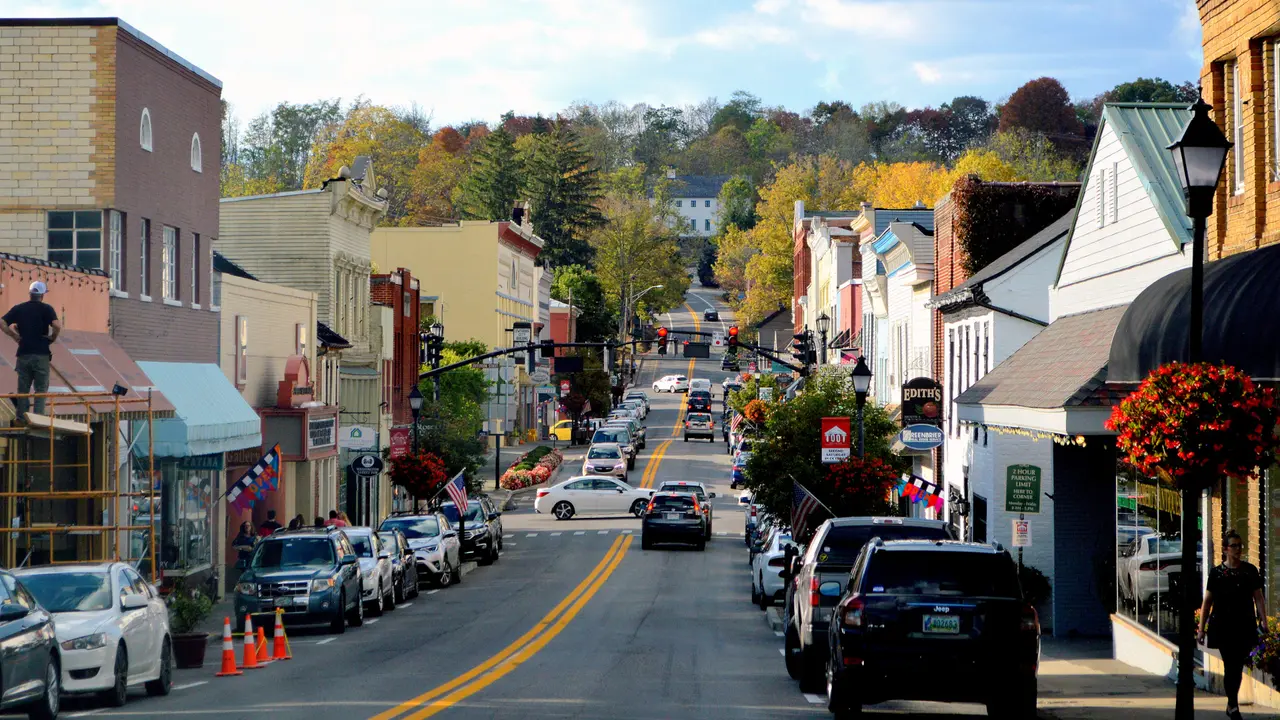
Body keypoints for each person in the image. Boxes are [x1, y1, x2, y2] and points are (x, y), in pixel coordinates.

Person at [1199, 529, 1265, 720]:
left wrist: (1263, 620)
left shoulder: (1249, 571)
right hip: (1224, 625)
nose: (1238, 549)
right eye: (1234, 546)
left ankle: (1231, 703)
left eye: (1240, 545)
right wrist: (1201, 629)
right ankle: (1233, 705)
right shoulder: (1217, 574)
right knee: (1231, 665)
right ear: (1226, 549)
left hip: (1244, 625)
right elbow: (1207, 602)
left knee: (1237, 667)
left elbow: (1258, 598)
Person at [1, 281, 60, 422]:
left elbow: (2, 322)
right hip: (41, 355)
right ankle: (38, 420)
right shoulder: (47, 309)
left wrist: (15, 336)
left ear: (30, 294)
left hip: (23, 354)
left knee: (23, 390)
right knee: (40, 390)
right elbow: (57, 325)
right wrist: (52, 337)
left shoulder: (19, 308)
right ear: (42, 296)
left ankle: (21, 418)